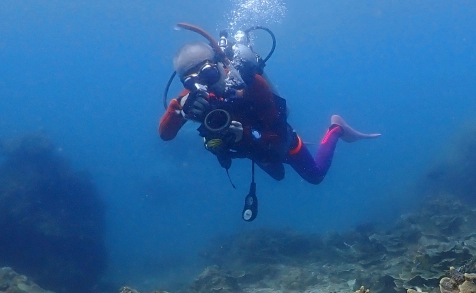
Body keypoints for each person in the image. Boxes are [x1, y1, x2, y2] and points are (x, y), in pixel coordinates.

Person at [159, 31, 378, 186]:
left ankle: (336, 128)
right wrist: (177, 108)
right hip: (251, 150)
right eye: (192, 81)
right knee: (278, 176)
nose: (204, 85)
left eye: (208, 73)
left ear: (218, 64)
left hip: (281, 142)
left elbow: (277, 132)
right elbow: (165, 135)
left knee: (315, 176)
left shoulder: (251, 85)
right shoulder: (190, 100)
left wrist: (244, 135)